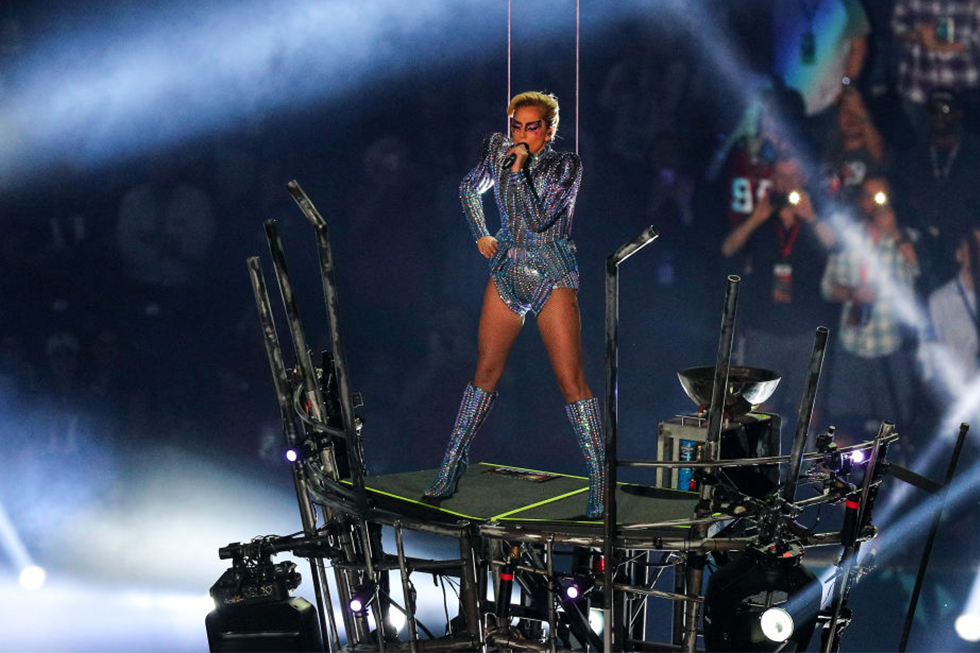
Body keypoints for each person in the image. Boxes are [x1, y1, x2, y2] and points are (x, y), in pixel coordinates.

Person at [423, 91, 603, 518]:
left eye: (532, 127)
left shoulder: (567, 166)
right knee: (485, 371)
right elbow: (469, 187)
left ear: (550, 129)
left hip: (552, 272)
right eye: (516, 127)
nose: (521, 135)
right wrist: (481, 233)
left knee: (571, 380)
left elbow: (540, 218)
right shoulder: (496, 150)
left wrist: (519, 171)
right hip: (507, 269)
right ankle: (450, 467)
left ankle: (600, 482)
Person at [721, 153, 836, 430]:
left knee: (807, 407)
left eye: (794, 176)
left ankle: (806, 465)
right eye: (782, 176)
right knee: (760, 407)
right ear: (772, 179)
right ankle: (762, 464)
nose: (788, 183)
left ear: (804, 179)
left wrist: (811, 217)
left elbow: (834, 245)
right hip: (764, 328)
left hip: (807, 330)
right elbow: (728, 249)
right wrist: (756, 219)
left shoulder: (814, 215)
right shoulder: (763, 214)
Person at [821, 175, 920, 437]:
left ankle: (887, 476)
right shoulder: (848, 239)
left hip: (888, 349)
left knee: (892, 430)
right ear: (860, 201)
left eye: (880, 197)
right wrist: (852, 292)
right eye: (868, 196)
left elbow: (916, 273)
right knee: (844, 428)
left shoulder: (902, 238)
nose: (874, 204)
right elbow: (828, 286)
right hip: (852, 347)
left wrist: (896, 232)